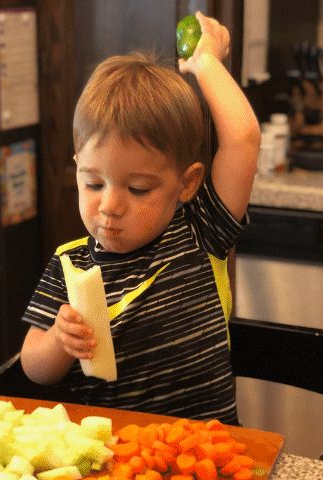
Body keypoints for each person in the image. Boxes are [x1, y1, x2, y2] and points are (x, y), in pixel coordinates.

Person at [19, 13, 261, 423]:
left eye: (138, 189)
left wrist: (205, 64)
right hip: (111, 466)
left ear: (186, 184)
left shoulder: (200, 232)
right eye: (94, 184)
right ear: (78, 168)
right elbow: (33, 368)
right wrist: (60, 341)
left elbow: (243, 139)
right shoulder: (69, 265)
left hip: (204, 454)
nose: (110, 206)